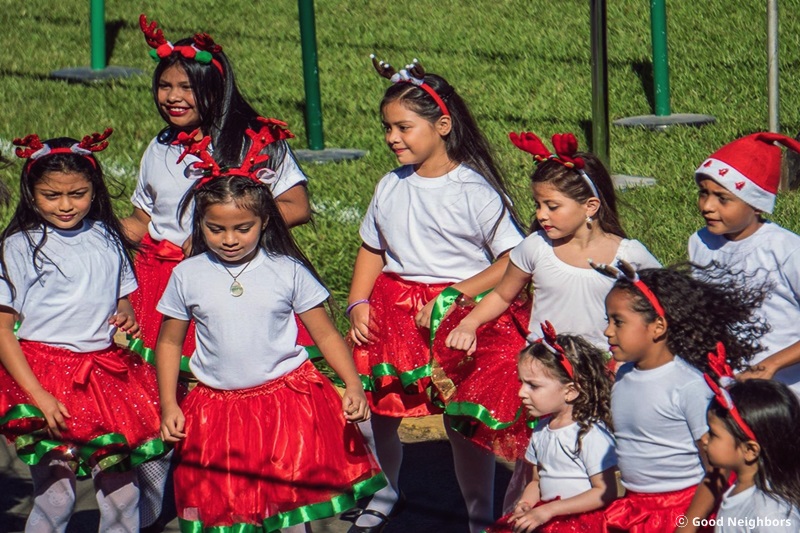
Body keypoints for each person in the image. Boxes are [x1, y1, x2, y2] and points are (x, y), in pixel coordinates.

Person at [125, 15, 312, 528]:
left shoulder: (254, 141)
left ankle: (258, 501)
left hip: (230, 282)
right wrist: (92, 224)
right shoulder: (160, 145)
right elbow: (144, 220)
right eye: (164, 86)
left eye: (186, 87)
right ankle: (159, 507)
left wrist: (216, 233)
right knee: (162, 398)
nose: (172, 97)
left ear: (215, 86)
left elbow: (296, 205)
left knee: (227, 396)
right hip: (161, 285)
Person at [155, 125, 383, 532]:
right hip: (217, 413)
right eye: (215, 228)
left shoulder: (286, 270)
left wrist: (352, 384)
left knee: (290, 512)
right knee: (230, 512)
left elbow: (326, 334)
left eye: (242, 228)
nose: (229, 239)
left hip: (286, 406)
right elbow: (170, 343)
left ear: (264, 221)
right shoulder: (187, 275)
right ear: (199, 223)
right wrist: (169, 404)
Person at [346, 56, 525, 533]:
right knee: (379, 409)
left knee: (461, 420)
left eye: (403, 127)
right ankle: (386, 490)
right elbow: (372, 248)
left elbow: (513, 258)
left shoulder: (474, 190)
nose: (392, 137)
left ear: (442, 126)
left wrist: (455, 294)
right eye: (387, 128)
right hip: (393, 312)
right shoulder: (389, 185)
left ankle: (478, 515)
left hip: (456, 316)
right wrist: (358, 302)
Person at [439, 131, 658, 510]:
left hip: (605, 375)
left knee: (600, 457)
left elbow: (658, 305)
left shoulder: (629, 255)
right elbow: (503, 295)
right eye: (538, 204)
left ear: (590, 206)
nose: (541, 214)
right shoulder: (536, 247)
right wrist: (469, 323)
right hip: (548, 372)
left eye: (552, 206)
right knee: (544, 456)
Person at [0, 131, 165, 532]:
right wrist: (38, 395)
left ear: (94, 190)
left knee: (124, 496)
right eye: (51, 195)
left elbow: (121, 296)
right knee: (57, 497)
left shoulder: (108, 236)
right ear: (31, 193)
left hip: (106, 377)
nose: (65, 205)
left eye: (77, 194)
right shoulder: (18, 246)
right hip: (44, 376)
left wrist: (125, 312)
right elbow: (3, 330)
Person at [597, 261, 768, 532]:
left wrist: (687, 526)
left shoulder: (688, 386)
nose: (608, 331)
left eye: (618, 322)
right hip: (635, 509)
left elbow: (717, 469)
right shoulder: (623, 375)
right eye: (607, 320)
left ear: (658, 326)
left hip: (680, 511)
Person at [688, 133, 800, 396]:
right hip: (727, 386)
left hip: (786, 394)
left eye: (722, 198)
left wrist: (771, 364)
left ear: (757, 205)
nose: (707, 206)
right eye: (703, 193)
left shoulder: (787, 250)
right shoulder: (699, 242)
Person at [487, 323, 618, 533]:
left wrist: (549, 510)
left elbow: (605, 491)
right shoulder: (541, 430)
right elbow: (536, 481)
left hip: (582, 524)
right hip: (547, 517)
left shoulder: (589, 433)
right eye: (522, 383)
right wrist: (526, 504)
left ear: (570, 391)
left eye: (533, 385)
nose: (521, 392)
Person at [702, 367, 800, 532]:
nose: (704, 438)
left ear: (750, 450)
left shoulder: (771, 517)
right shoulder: (741, 489)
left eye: (713, 434)